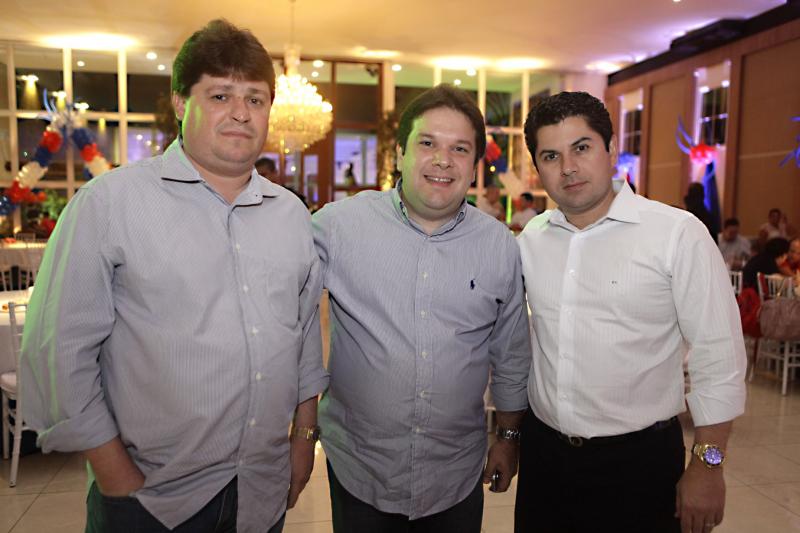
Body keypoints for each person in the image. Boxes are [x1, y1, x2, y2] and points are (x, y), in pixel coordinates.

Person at [21, 19, 327, 533]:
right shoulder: (109, 205)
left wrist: (303, 438)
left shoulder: (290, 214)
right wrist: (115, 475)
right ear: (181, 103)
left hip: (262, 488)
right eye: (220, 95)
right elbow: (58, 351)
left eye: (255, 99)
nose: (240, 112)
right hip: (152, 499)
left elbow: (302, 339)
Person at [516, 91, 746, 533]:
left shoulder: (676, 234)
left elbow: (720, 357)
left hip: (640, 465)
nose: (568, 167)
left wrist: (709, 466)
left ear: (611, 149)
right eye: (551, 156)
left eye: (581, 148)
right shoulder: (533, 238)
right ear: (538, 167)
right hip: (545, 460)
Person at [312, 84, 531, 533]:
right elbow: (279, 312)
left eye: (459, 149)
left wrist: (508, 438)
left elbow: (510, 354)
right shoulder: (337, 227)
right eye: (427, 143)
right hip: (360, 468)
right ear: (400, 153)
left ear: (475, 164)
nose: (442, 160)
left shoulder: (499, 246)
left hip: (457, 472)